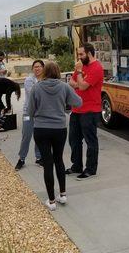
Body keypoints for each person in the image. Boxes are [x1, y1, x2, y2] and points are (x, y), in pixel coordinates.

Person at [28, 61, 82, 211]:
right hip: (59, 128)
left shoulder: (36, 87)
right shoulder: (64, 87)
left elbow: (30, 110)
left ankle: (51, 201)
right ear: (58, 72)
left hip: (41, 129)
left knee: (47, 162)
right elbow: (78, 102)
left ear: (45, 71)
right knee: (59, 160)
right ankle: (63, 195)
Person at [66, 43, 104, 180]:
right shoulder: (81, 65)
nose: (79, 57)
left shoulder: (97, 68)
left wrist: (80, 76)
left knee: (90, 141)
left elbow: (81, 86)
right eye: (78, 54)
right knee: (73, 140)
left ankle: (90, 169)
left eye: (81, 54)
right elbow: (71, 81)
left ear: (89, 53)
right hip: (77, 108)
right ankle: (76, 165)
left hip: (90, 109)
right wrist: (79, 82)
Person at [15, 60, 44, 170]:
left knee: (39, 135)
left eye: (39, 66)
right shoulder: (29, 80)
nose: (37, 69)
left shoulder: (46, 80)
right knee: (26, 135)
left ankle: (39, 158)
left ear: (43, 68)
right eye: (35, 67)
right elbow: (34, 94)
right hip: (28, 113)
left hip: (40, 113)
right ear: (32, 69)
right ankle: (22, 159)